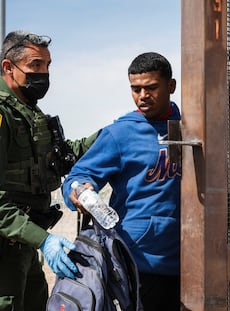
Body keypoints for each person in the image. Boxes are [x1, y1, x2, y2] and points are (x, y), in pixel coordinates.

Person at [61, 52, 182, 311]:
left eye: (151, 88)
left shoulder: (192, 129)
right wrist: (80, 191)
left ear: (171, 86)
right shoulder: (120, 134)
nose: (142, 96)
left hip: (191, 262)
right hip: (139, 265)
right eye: (136, 89)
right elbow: (77, 177)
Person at [0, 30, 97, 311]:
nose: (43, 74)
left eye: (47, 65)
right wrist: (44, 241)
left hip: (26, 244)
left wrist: (110, 135)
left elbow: (62, 156)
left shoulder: (30, 112)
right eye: (35, 66)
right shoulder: (3, 114)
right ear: (8, 67)